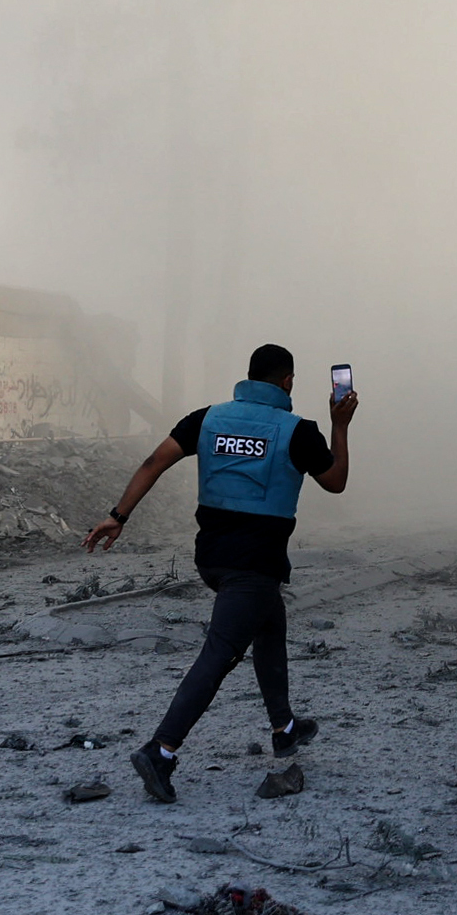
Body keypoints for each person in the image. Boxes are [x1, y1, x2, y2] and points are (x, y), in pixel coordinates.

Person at [82, 344, 358, 804]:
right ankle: (161, 751)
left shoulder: (207, 419)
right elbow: (336, 480)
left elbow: (154, 462)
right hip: (252, 564)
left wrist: (118, 515)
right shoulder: (297, 431)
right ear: (287, 382)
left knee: (270, 623)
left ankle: (284, 728)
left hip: (212, 556)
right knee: (221, 653)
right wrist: (340, 425)